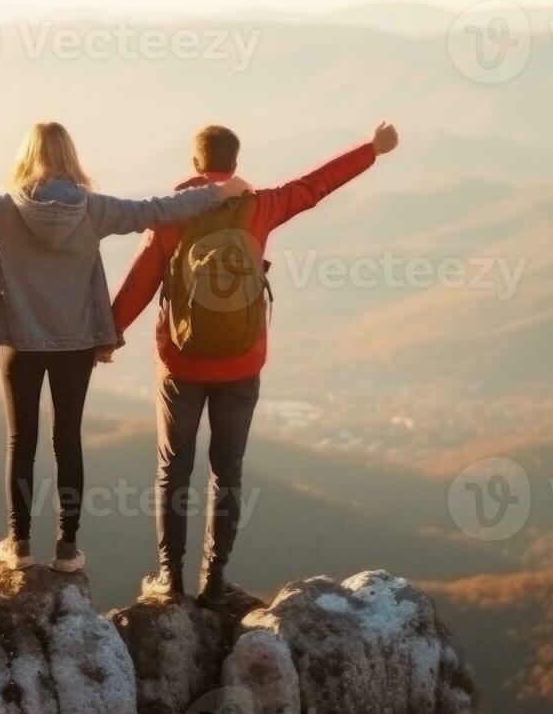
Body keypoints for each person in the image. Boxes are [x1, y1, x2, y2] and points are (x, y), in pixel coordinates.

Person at [0, 122, 251, 574]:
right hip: (76, 344)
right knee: (67, 440)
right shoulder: (95, 209)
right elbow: (158, 210)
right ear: (71, 156)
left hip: (21, 343)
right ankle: (67, 548)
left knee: (20, 441)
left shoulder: (5, 211)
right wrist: (220, 192)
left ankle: (20, 545)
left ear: (28, 156)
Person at [111, 121, 400, 606]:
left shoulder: (170, 216)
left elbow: (139, 283)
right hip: (242, 362)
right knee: (227, 471)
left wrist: (107, 337)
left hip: (180, 364)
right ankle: (214, 581)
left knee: (173, 471)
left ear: (196, 165)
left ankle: (170, 579)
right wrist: (371, 149)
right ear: (235, 163)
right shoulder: (259, 206)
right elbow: (315, 186)